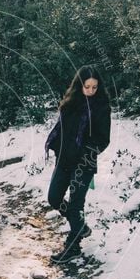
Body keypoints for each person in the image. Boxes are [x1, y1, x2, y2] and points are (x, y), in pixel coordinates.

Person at [45, 66, 111, 262]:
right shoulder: (70, 104)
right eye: (87, 86)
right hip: (64, 160)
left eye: (94, 87)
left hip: (84, 163)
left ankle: (72, 247)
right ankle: (79, 226)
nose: (91, 91)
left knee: (75, 205)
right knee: (54, 198)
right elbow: (62, 130)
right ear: (79, 85)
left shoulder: (101, 107)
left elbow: (103, 139)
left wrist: (85, 152)